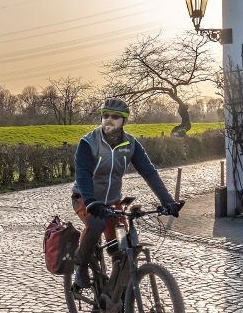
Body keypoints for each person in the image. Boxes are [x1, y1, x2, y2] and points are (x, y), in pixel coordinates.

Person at [71, 98, 182, 288]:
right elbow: (82, 174)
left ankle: (120, 293)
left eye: (115, 117)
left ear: (124, 121)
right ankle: (80, 268)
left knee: (121, 246)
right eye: (105, 116)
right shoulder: (88, 143)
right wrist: (91, 201)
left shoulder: (130, 144)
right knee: (96, 224)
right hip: (85, 198)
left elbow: (149, 172)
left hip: (113, 202)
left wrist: (168, 201)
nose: (109, 120)